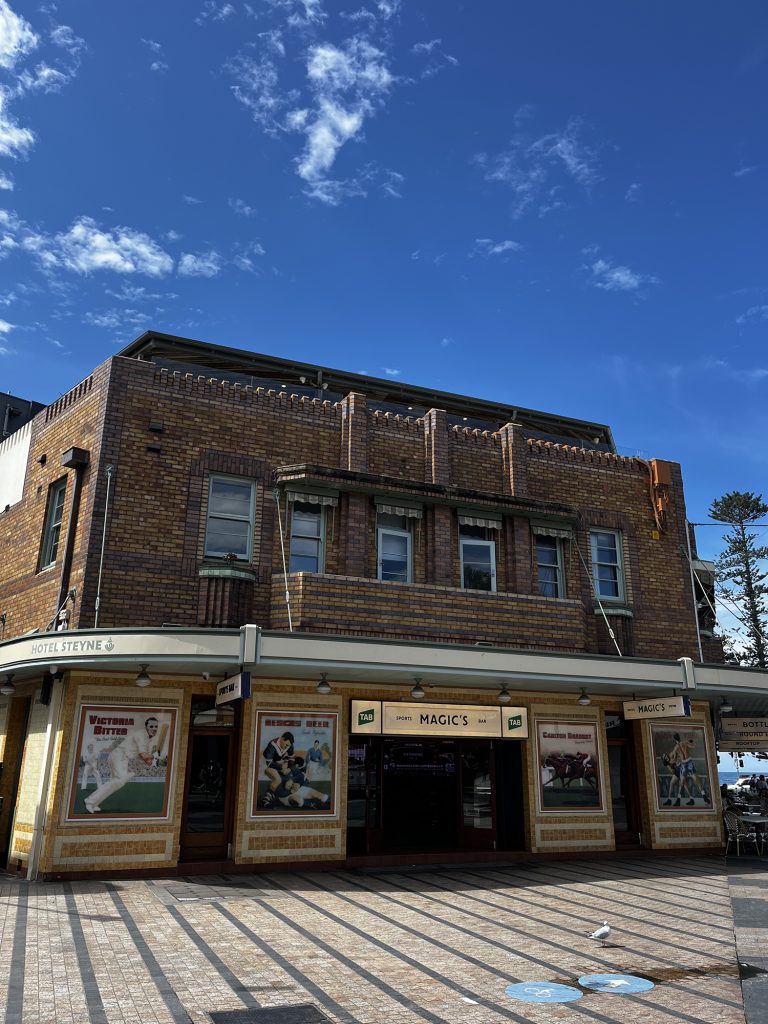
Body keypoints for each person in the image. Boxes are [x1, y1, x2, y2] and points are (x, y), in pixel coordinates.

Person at [84, 717, 162, 814]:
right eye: (151, 726)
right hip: (119, 755)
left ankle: (92, 802)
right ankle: (90, 802)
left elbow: (148, 761)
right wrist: (154, 756)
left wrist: (155, 759)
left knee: (114, 784)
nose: (154, 729)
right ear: (146, 727)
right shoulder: (141, 734)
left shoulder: (149, 741)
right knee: (120, 780)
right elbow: (144, 755)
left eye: (156, 727)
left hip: (122, 759)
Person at [262, 731, 294, 801]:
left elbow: (291, 758)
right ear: (282, 739)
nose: (287, 747)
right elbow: (269, 763)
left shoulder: (289, 744)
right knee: (278, 779)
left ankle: (276, 796)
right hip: (267, 765)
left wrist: (289, 768)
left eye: (289, 745)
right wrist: (280, 767)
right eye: (286, 745)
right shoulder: (272, 745)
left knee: (289, 776)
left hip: (279, 764)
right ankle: (266, 799)